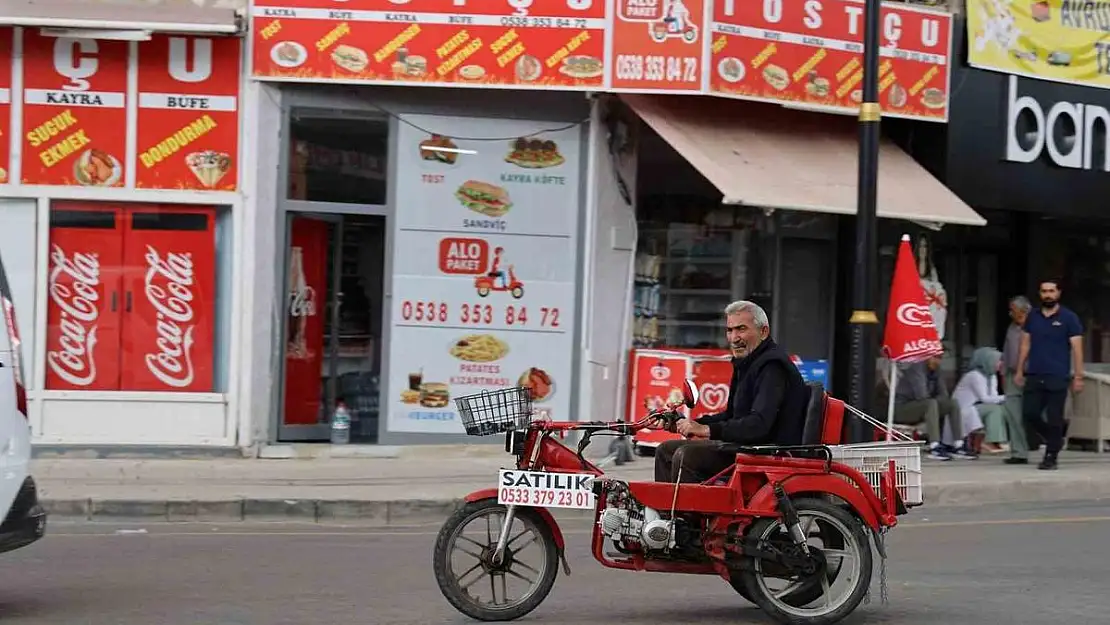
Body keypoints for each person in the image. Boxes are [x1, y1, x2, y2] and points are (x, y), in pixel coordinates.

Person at [654, 300, 808, 483]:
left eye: (741, 329)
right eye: (730, 330)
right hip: (750, 446)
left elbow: (759, 424)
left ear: (763, 332)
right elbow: (732, 415)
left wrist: (708, 430)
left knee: (686, 455)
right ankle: (665, 511)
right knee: (665, 450)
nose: (734, 338)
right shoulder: (747, 362)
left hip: (768, 451)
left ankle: (691, 511)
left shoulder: (772, 366)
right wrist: (691, 423)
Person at [1015, 279, 1084, 470]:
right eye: (1044, 291)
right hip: (1035, 373)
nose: (1048, 295)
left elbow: (1077, 349)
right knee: (1029, 413)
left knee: (1055, 417)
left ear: (1058, 293)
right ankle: (1054, 439)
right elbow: (1025, 344)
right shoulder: (1032, 317)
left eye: (1051, 291)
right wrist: (1020, 369)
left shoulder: (1069, 318)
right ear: (1040, 294)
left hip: (1057, 375)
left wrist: (1078, 376)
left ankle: (1051, 456)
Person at [892, 353, 975, 460]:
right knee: (931, 404)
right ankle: (935, 447)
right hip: (903, 409)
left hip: (924, 406)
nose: (937, 361)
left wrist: (937, 400)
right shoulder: (916, 368)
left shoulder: (936, 370)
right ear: (926, 356)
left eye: (940, 358)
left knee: (952, 403)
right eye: (934, 357)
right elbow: (921, 395)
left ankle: (958, 444)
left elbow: (944, 395)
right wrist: (935, 400)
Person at [952, 347, 1010, 454]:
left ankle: (996, 441)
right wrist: (1008, 397)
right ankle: (991, 441)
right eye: (998, 361)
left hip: (977, 407)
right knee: (994, 410)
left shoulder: (991, 376)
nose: (1000, 364)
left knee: (1000, 409)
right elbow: (985, 398)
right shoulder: (974, 376)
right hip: (965, 409)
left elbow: (993, 396)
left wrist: (1003, 399)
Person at [1002, 296, 1032, 464]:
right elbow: (1007, 352)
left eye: (1012, 310)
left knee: (1033, 414)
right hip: (1012, 375)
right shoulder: (1012, 328)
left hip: (1031, 375)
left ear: (1023, 311)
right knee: (1013, 414)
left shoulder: (1036, 327)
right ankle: (1019, 452)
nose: (1010, 313)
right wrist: (1004, 374)